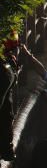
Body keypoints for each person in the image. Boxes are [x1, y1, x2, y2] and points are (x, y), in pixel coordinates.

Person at [0, 30, 19, 160]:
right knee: (6, 110)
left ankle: (7, 149)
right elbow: (13, 40)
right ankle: (7, 150)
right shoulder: (9, 27)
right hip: (7, 69)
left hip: (4, 72)